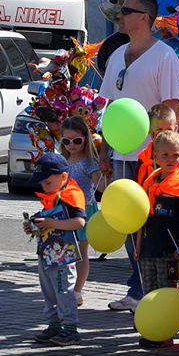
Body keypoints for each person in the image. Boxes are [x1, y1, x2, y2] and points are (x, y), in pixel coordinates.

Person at [99, 0, 179, 313]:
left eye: (127, 11)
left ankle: (146, 291)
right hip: (121, 154)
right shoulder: (118, 54)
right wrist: (105, 149)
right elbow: (109, 107)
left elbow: (171, 108)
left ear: (144, 18)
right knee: (125, 222)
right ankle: (136, 289)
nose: (120, 16)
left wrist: (163, 153)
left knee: (149, 227)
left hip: (150, 157)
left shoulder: (164, 56)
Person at [135, 131, 179, 348]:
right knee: (150, 289)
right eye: (166, 155)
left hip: (170, 250)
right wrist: (139, 245)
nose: (171, 160)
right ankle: (153, 328)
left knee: (167, 289)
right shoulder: (151, 180)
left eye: (176, 155)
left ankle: (165, 331)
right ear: (156, 157)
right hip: (150, 247)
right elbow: (143, 216)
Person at [23, 153, 87, 346]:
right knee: (48, 291)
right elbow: (49, 220)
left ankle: (70, 328)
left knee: (64, 290)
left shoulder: (72, 195)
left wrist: (51, 222)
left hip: (63, 255)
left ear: (64, 177)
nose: (44, 187)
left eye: (48, 183)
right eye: (42, 183)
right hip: (46, 252)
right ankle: (54, 324)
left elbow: (79, 222)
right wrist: (34, 227)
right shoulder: (52, 195)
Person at [59, 115, 102, 307]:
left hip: (84, 209)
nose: (72, 145)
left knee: (81, 252)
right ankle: (66, 288)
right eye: (67, 141)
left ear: (85, 138)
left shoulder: (88, 162)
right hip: (64, 210)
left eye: (77, 140)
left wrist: (104, 180)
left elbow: (99, 185)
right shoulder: (63, 161)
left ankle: (77, 290)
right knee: (66, 251)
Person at [136, 103, 178, 187]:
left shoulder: (178, 155)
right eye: (159, 130)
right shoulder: (144, 156)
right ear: (150, 131)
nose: (164, 134)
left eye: (169, 130)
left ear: (176, 129)